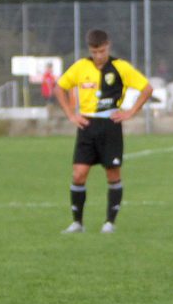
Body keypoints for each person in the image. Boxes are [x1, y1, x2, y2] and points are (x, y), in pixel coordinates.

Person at [53, 29, 153, 234]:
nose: (99, 55)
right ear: (90, 50)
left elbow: (147, 88)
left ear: (108, 46)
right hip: (87, 126)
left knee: (112, 172)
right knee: (79, 174)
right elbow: (59, 88)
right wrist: (71, 115)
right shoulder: (81, 66)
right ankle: (77, 223)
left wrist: (130, 112)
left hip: (110, 125)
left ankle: (109, 222)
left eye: (102, 51)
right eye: (95, 51)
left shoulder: (120, 67)